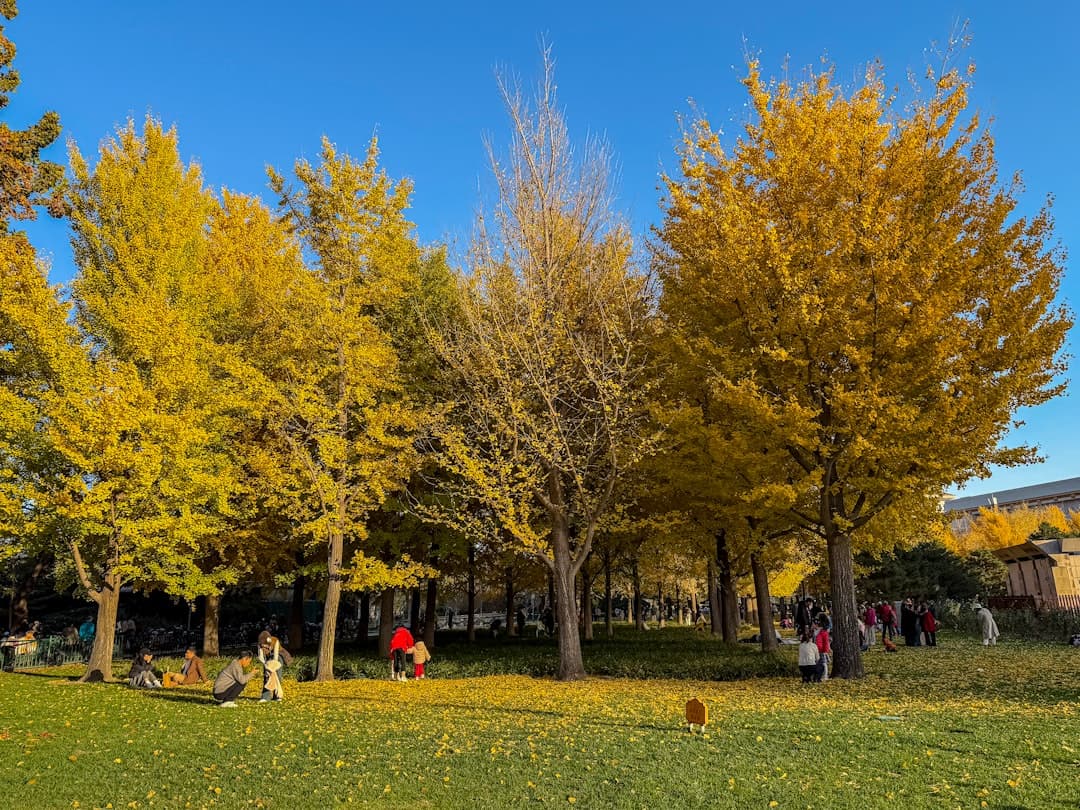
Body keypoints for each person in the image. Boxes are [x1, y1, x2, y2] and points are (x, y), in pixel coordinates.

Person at [257, 631, 293, 701]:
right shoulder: (260, 644)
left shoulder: (275, 641)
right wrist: (266, 666)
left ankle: (277, 696)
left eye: (265, 645)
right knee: (266, 676)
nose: (264, 646)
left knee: (277, 675)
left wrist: (272, 669)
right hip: (267, 659)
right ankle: (265, 696)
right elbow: (261, 657)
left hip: (278, 657)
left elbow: (275, 658)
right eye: (263, 645)